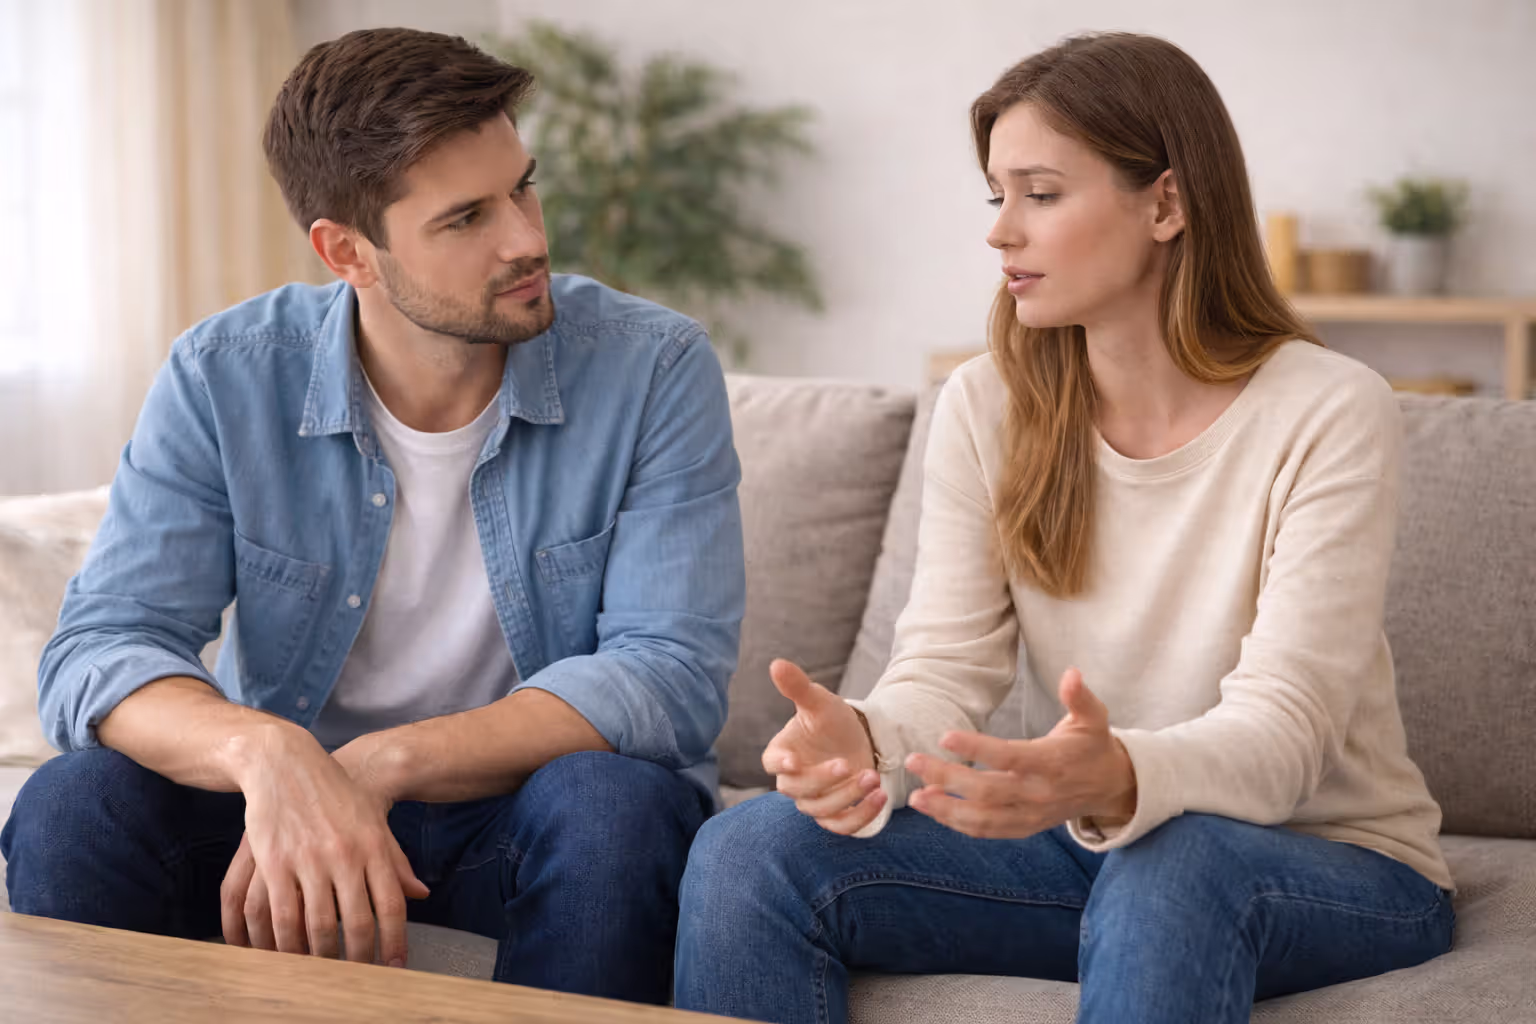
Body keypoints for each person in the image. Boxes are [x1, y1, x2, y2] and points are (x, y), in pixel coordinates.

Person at [673, 32, 1452, 1024]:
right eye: (995, 195)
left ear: (1166, 203)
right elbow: (947, 670)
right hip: (1098, 840)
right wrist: (863, 744)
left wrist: (1121, 773)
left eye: (1040, 193)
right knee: (751, 849)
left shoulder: (1329, 408)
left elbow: (1287, 733)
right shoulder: (987, 404)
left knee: (1175, 856)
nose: (1001, 232)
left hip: (1333, 861)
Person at [1, 27, 744, 1005]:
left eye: (522, 186)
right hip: (282, 805)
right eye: (467, 216)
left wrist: (380, 764)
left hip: (518, 810)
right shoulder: (223, 375)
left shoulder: (652, 368)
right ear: (347, 250)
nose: (527, 237)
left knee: (615, 808)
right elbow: (103, 647)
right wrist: (271, 756)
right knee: (74, 801)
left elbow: (670, 676)